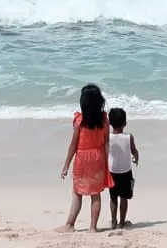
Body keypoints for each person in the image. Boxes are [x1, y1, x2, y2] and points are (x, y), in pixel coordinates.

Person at [58, 83, 114, 233]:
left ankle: (70, 224)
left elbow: (73, 145)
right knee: (95, 194)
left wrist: (66, 165)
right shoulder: (104, 120)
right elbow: (106, 142)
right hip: (98, 158)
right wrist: (106, 161)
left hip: (82, 159)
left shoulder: (79, 121)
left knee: (77, 192)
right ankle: (93, 227)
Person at [107, 106, 140, 229]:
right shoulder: (129, 136)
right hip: (126, 171)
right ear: (125, 123)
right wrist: (136, 158)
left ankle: (113, 221)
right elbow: (134, 151)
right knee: (124, 198)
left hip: (112, 171)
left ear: (110, 123)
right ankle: (121, 222)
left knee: (113, 198)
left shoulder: (108, 138)